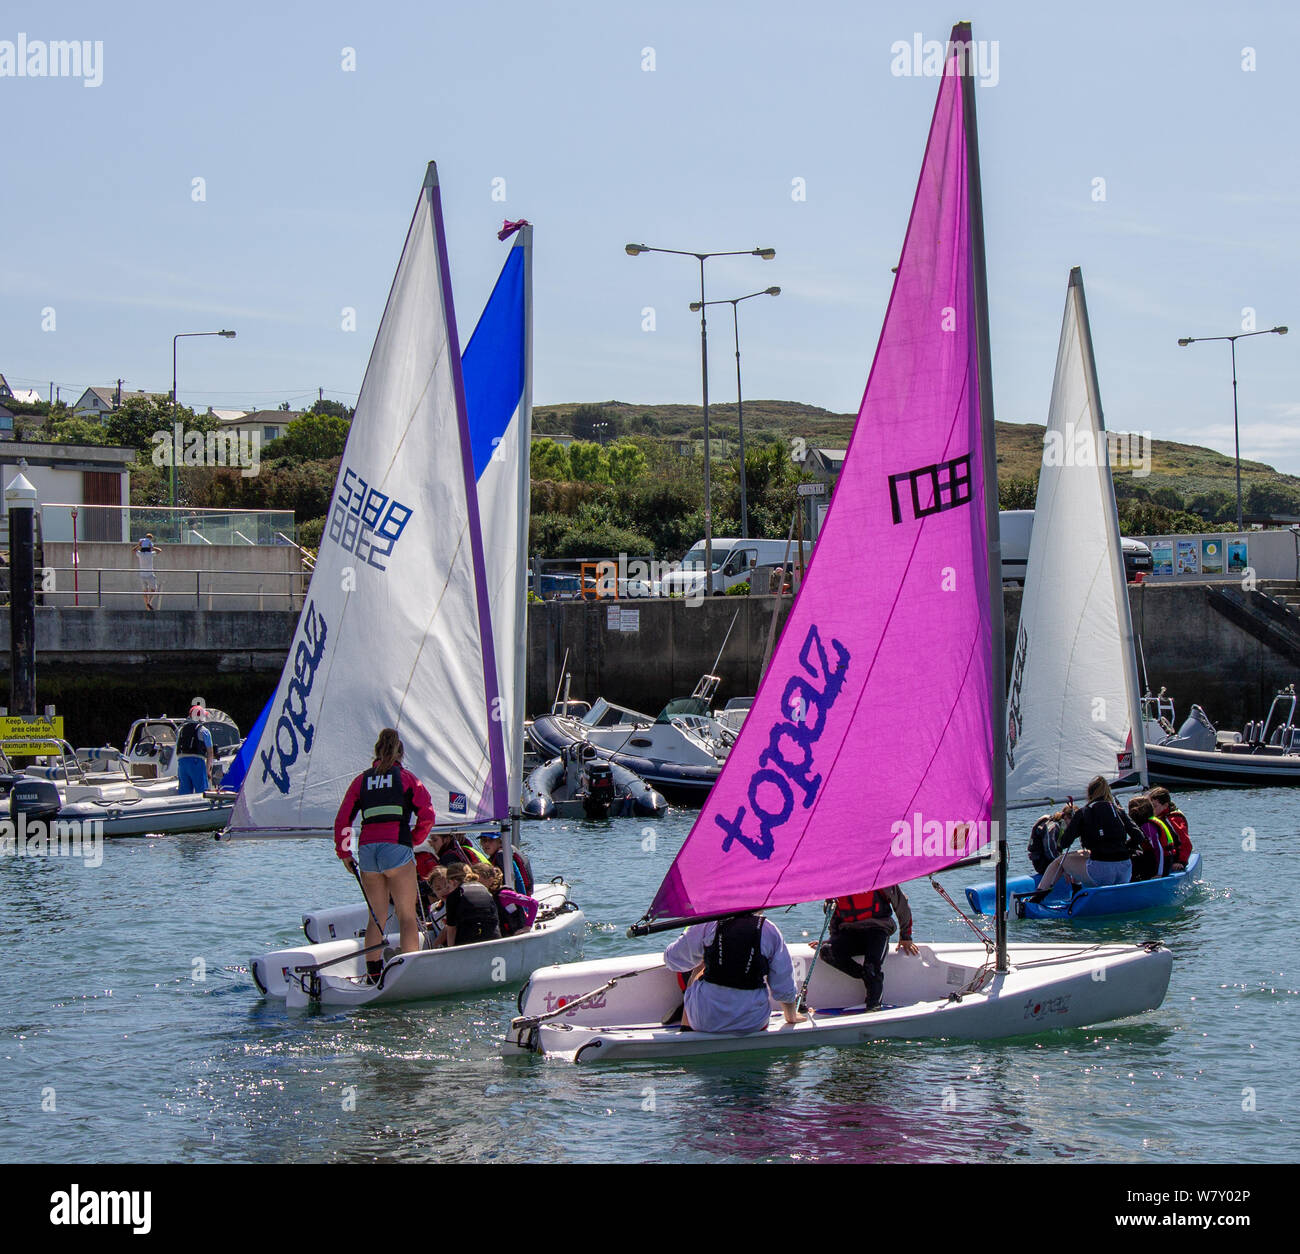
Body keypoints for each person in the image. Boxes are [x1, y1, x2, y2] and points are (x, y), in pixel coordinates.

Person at [333, 728, 436, 980]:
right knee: (406, 915)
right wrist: (414, 840)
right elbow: (428, 814)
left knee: (376, 917)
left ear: (376, 752)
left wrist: (344, 852)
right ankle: (409, 973)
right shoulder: (408, 779)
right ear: (400, 753)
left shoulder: (361, 781)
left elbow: (343, 818)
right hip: (396, 848)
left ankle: (373, 974)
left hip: (368, 851)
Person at [663, 912, 805, 1034]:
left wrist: (691, 936)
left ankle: (687, 1031)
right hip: (753, 1023)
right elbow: (783, 983)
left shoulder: (706, 923)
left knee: (698, 970)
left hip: (704, 1022)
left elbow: (673, 960)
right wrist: (791, 1016)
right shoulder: (770, 930)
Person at [1026, 775, 1138, 901]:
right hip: (1125, 870)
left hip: (1101, 872)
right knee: (1083, 854)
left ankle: (1035, 900)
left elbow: (1064, 843)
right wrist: (1122, 848)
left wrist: (1079, 828)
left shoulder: (1084, 812)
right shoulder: (1119, 810)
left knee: (1060, 861)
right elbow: (1139, 837)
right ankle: (1077, 895)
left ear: (1089, 794)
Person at [817, 884, 921, 1011]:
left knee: (872, 968)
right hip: (850, 932)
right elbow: (833, 916)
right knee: (826, 951)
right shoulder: (836, 884)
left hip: (878, 930)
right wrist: (832, 940)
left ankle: (874, 1006)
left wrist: (906, 936)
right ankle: (865, 975)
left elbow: (901, 905)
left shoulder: (880, 878)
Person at [428, 863, 502, 947]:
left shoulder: (455, 896)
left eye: (447, 884)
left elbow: (451, 929)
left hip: (471, 943)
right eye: (438, 888)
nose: (445, 889)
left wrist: (449, 950)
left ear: (452, 881)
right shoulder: (483, 889)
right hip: (494, 939)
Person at [1148, 787, 1193, 872]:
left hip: (1176, 858)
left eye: (1154, 806)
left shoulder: (1174, 819)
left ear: (1165, 805)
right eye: (1150, 806)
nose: (1151, 809)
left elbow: (1185, 842)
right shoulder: (1159, 816)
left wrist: (1181, 862)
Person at [175, 700, 215, 795]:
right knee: (202, 792)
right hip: (196, 762)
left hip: (182, 763)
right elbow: (210, 753)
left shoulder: (181, 729)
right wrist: (208, 770)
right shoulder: (204, 731)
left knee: (184, 793)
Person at [479, 831, 534, 895]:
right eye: (483, 840)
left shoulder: (501, 855)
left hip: (519, 896)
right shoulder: (508, 849)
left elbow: (516, 879)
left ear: (500, 842)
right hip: (525, 893)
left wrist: (521, 900)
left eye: (491, 840)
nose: (486, 843)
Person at [1126, 796, 1165, 882]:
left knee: (1135, 860)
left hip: (1162, 862)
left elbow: (1158, 849)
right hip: (1153, 858)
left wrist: (1159, 873)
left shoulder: (1147, 826)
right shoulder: (1142, 825)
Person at [133, 534, 161, 611]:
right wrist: (152, 547)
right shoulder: (150, 554)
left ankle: (147, 606)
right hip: (150, 574)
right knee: (153, 589)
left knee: (145, 591)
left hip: (142, 575)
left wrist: (139, 545)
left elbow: (133, 550)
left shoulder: (140, 554)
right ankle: (149, 602)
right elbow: (159, 550)